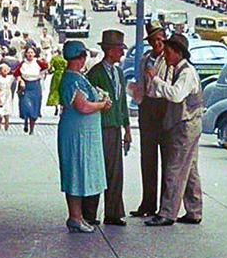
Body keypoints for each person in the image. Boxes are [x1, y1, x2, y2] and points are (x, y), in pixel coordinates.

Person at [143, 32, 203, 227]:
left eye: (168, 52)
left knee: (175, 168)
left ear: (178, 53)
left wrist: (156, 80)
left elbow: (176, 95)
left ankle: (168, 212)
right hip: (187, 123)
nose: (165, 56)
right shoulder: (178, 69)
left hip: (186, 125)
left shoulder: (186, 73)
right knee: (190, 168)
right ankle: (194, 210)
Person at [57, 39, 111, 234]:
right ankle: (75, 216)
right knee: (76, 171)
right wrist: (101, 105)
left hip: (80, 133)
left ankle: (77, 216)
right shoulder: (73, 79)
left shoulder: (75, 77)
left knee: (77, 171)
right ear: (80, 57)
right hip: (77, 134)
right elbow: (82, 106)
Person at [83, 29, 131, 226]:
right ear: (110, 51)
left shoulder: (119, 73)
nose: (122, 53)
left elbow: (122, 103)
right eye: (120, 49)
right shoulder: (95, 73)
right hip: (99, 127)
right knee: (96, 169)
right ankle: (89, 213)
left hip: (114, 126)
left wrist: (127, 128)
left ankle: (113, 212)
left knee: (115, 171)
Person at [130, 21, 167, 218]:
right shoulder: (145, 58)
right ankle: (148, 203)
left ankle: (166, 206)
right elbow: (141, 83)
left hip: (164, 107)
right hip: (147, 107)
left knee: (168, 160)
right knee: (148, 158)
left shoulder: (169, 59)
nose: (156, 42)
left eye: (159, 38)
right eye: (153, 39)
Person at [13, 44, 48, 134]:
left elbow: (46, 67)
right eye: (28, 52)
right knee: (26, 106)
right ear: (25, 54)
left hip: (35, 86)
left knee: (34, 108)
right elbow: (15, 73)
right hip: (26, 86)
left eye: (32, 52)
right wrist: (20, 80)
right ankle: (25, 121)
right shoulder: (22, 63)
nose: (30, 54)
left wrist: (42, 73)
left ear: (34, 54)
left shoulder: (38, 62)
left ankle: (32, 128)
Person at [0, 62, 14, 131]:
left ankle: (6, 124)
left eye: (6, 70)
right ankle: (0, 123)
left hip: (8, 96)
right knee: (1, 113)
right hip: (1, 95)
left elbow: (15, 75)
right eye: (3, 70)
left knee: (7, 113)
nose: (5, 71)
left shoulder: (9, 78)